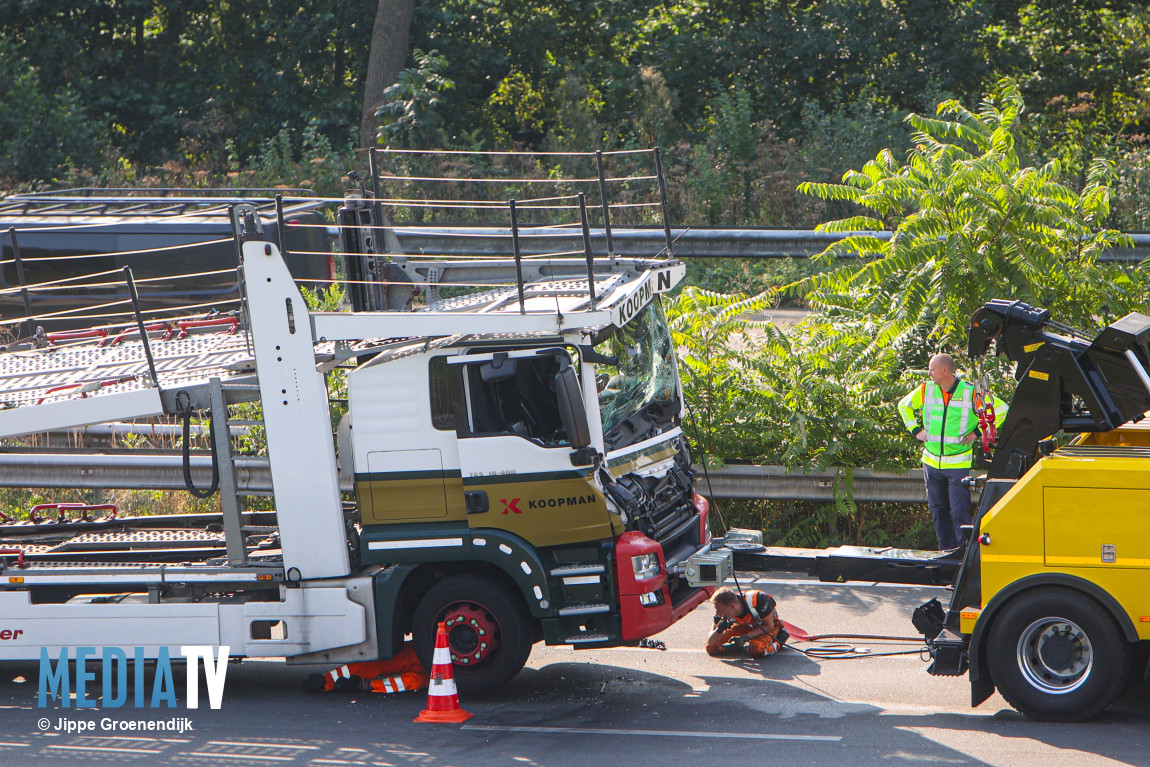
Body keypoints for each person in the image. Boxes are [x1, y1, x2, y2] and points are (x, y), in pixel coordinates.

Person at [897, 353, 1008, 550]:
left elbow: (1001, 410)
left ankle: (962, 555)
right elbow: (903, 406)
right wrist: (915, 430)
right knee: (938, 511)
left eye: (932, 369)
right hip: (931, 463)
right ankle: (945, 552)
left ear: (945, 370)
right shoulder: (927, 389)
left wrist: (977, 431)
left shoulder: (970, 392)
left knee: (959, 512)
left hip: (957, 464)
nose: (929, 373)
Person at [304, 642, 429, 694]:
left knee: (410, 679)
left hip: (426, 654)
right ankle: (327, 682)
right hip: (429, 657)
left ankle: (326, 682)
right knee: (409, 680)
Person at [706, 587, 788, 658]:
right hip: (744, 626)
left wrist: (746, 637)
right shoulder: (723, 611)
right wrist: (718, 631)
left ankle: (779, 641)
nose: (718, 614)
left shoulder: (758, 599)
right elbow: (710, 641)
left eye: (720, 610)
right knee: (711, 648)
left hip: (766, 626)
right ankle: (734, 647)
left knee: (756, 649)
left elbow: (769, 626)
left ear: (732, 606)